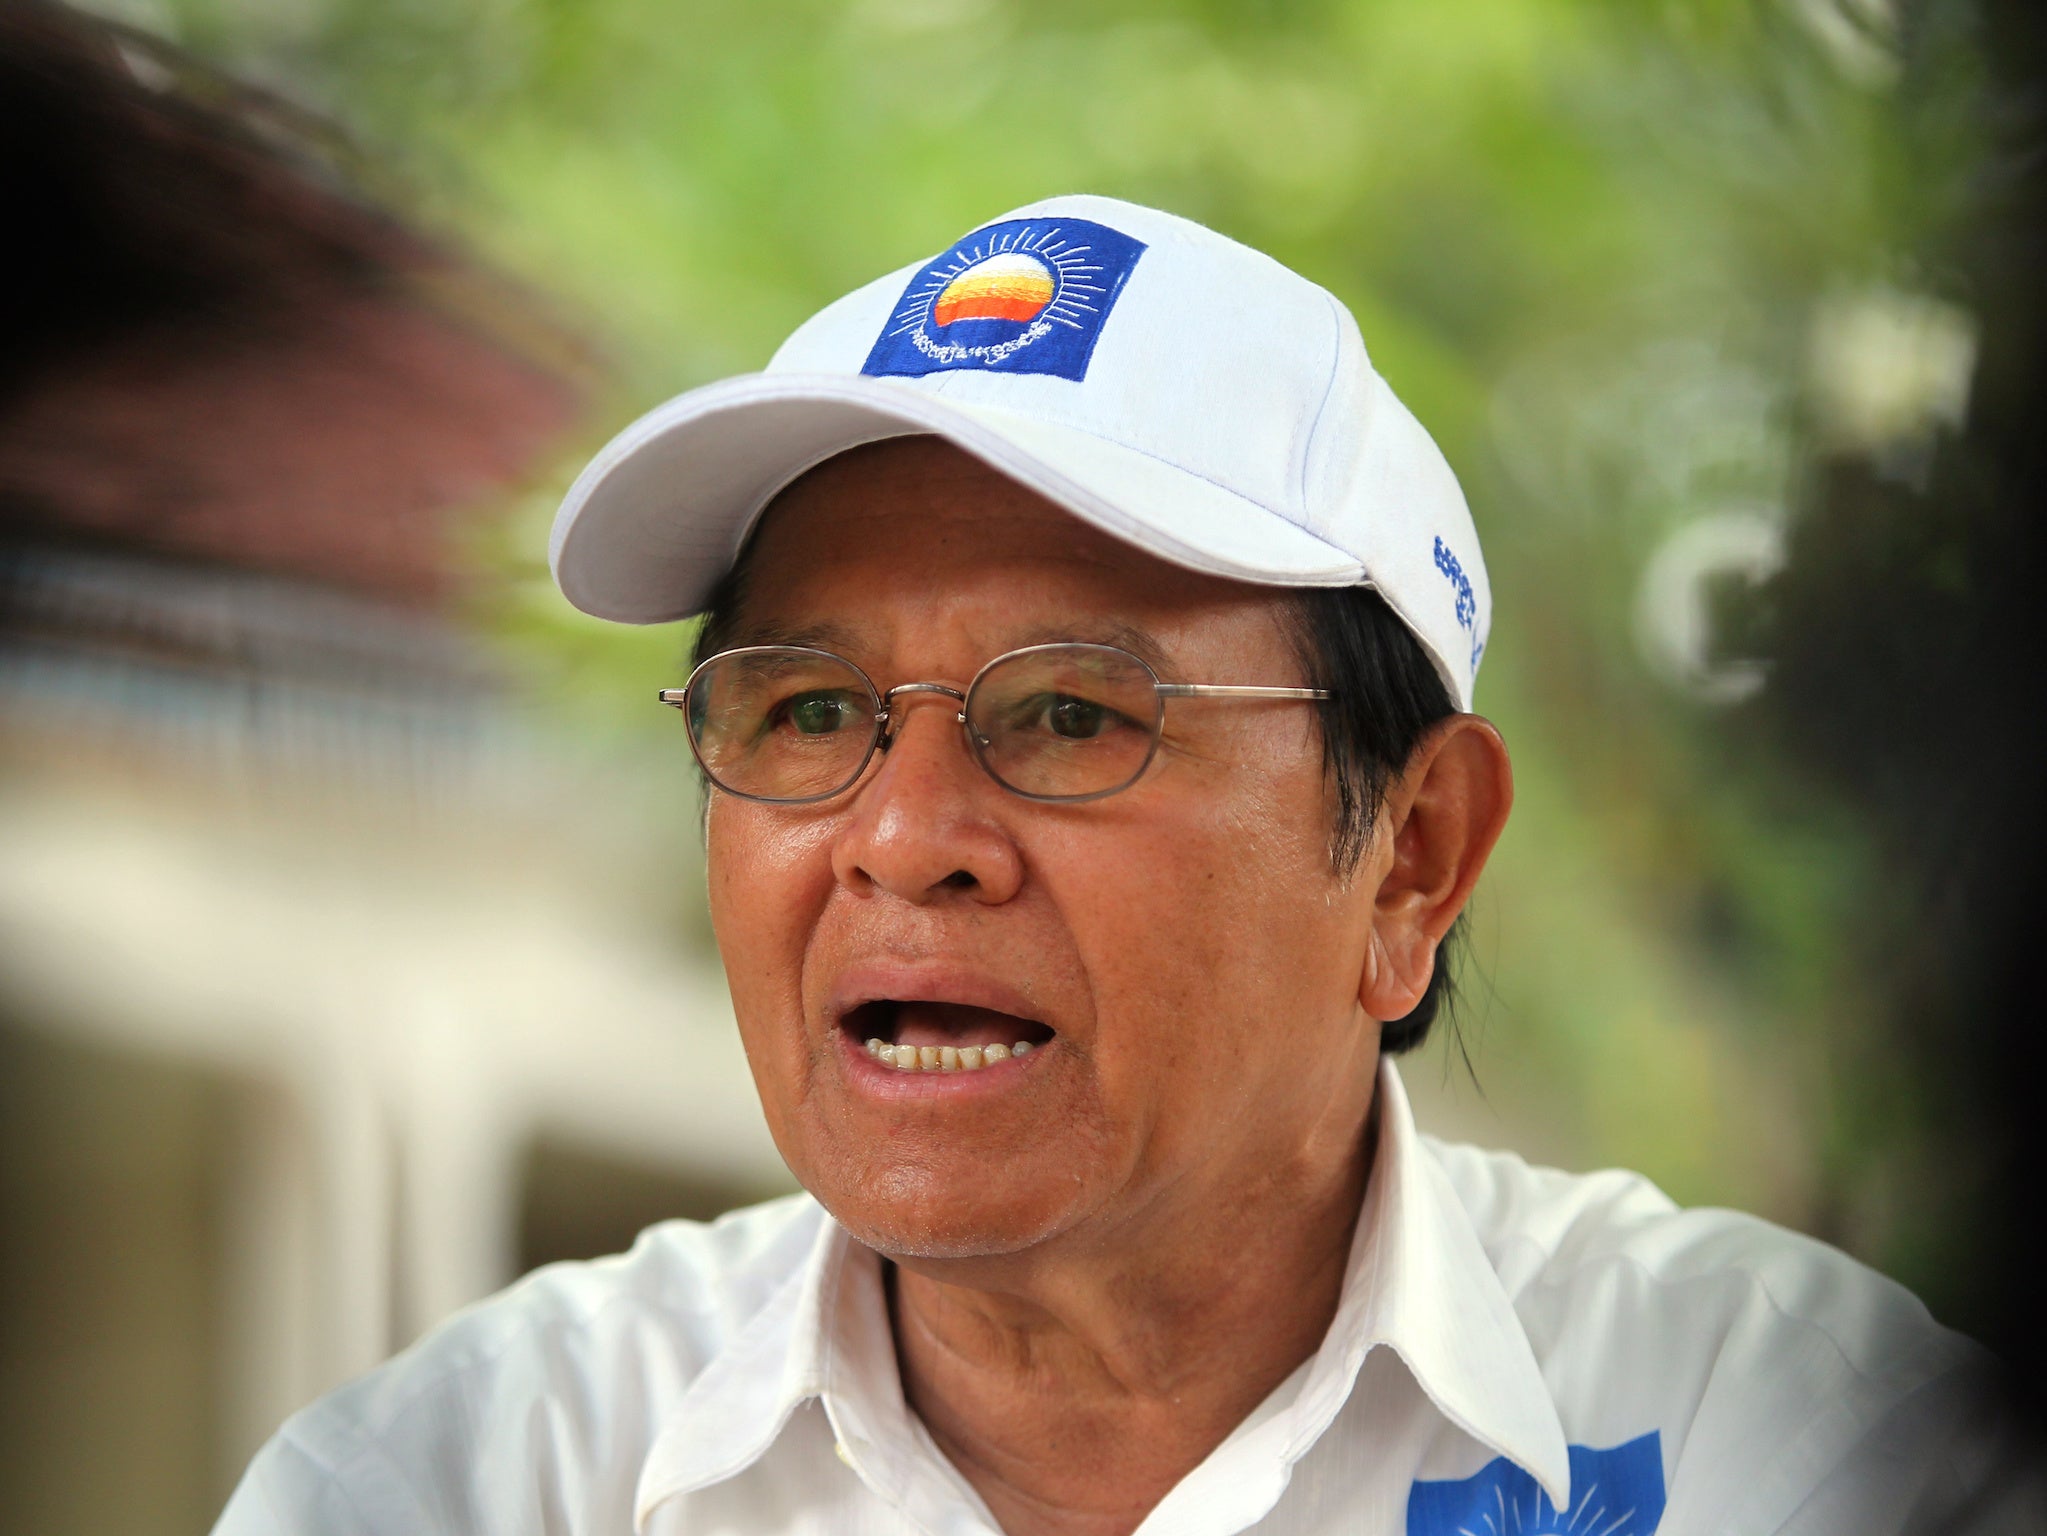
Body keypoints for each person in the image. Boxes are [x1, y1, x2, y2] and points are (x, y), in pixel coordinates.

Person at [214, 196, 2026, 1535]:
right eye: (811, 709)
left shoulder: (1794, 1450)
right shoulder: (469, 1478)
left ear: (1411, 859)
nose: (905, 841)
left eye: (1072, 717)